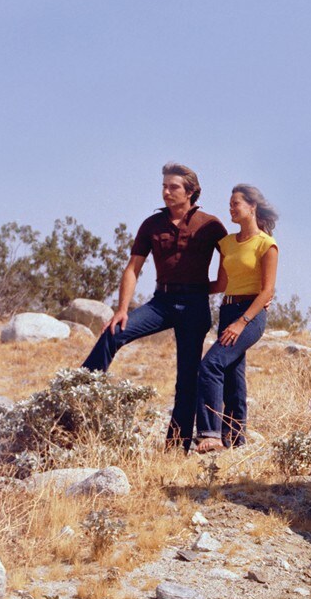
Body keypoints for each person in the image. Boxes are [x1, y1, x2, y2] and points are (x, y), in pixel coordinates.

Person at [83, 163, 227, 450]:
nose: (166, 192)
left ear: (191, 192)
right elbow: (133, 268)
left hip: (195, 305)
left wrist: (217, 286)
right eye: (164, 186)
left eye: (173, 187)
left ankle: (176, 446)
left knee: (186, 379)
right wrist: (121, 309)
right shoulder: (151, 224)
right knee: (113, 333)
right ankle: (79, 394)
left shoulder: (211, 225)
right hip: (161, 302)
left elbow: (236, 256)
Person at [192, 185, 279, 453]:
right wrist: (189, 287)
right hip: (227, 309)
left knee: (210, 365)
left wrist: (242, 321)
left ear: (252, 207)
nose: (231, 208)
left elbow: (267, 290)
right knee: (233, 372)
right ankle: (236, 437)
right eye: (229, 204)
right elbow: (220, 283)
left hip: (250, 314)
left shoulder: (266, 244)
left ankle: (210, 434)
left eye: (236, 203)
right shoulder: (227, 243)